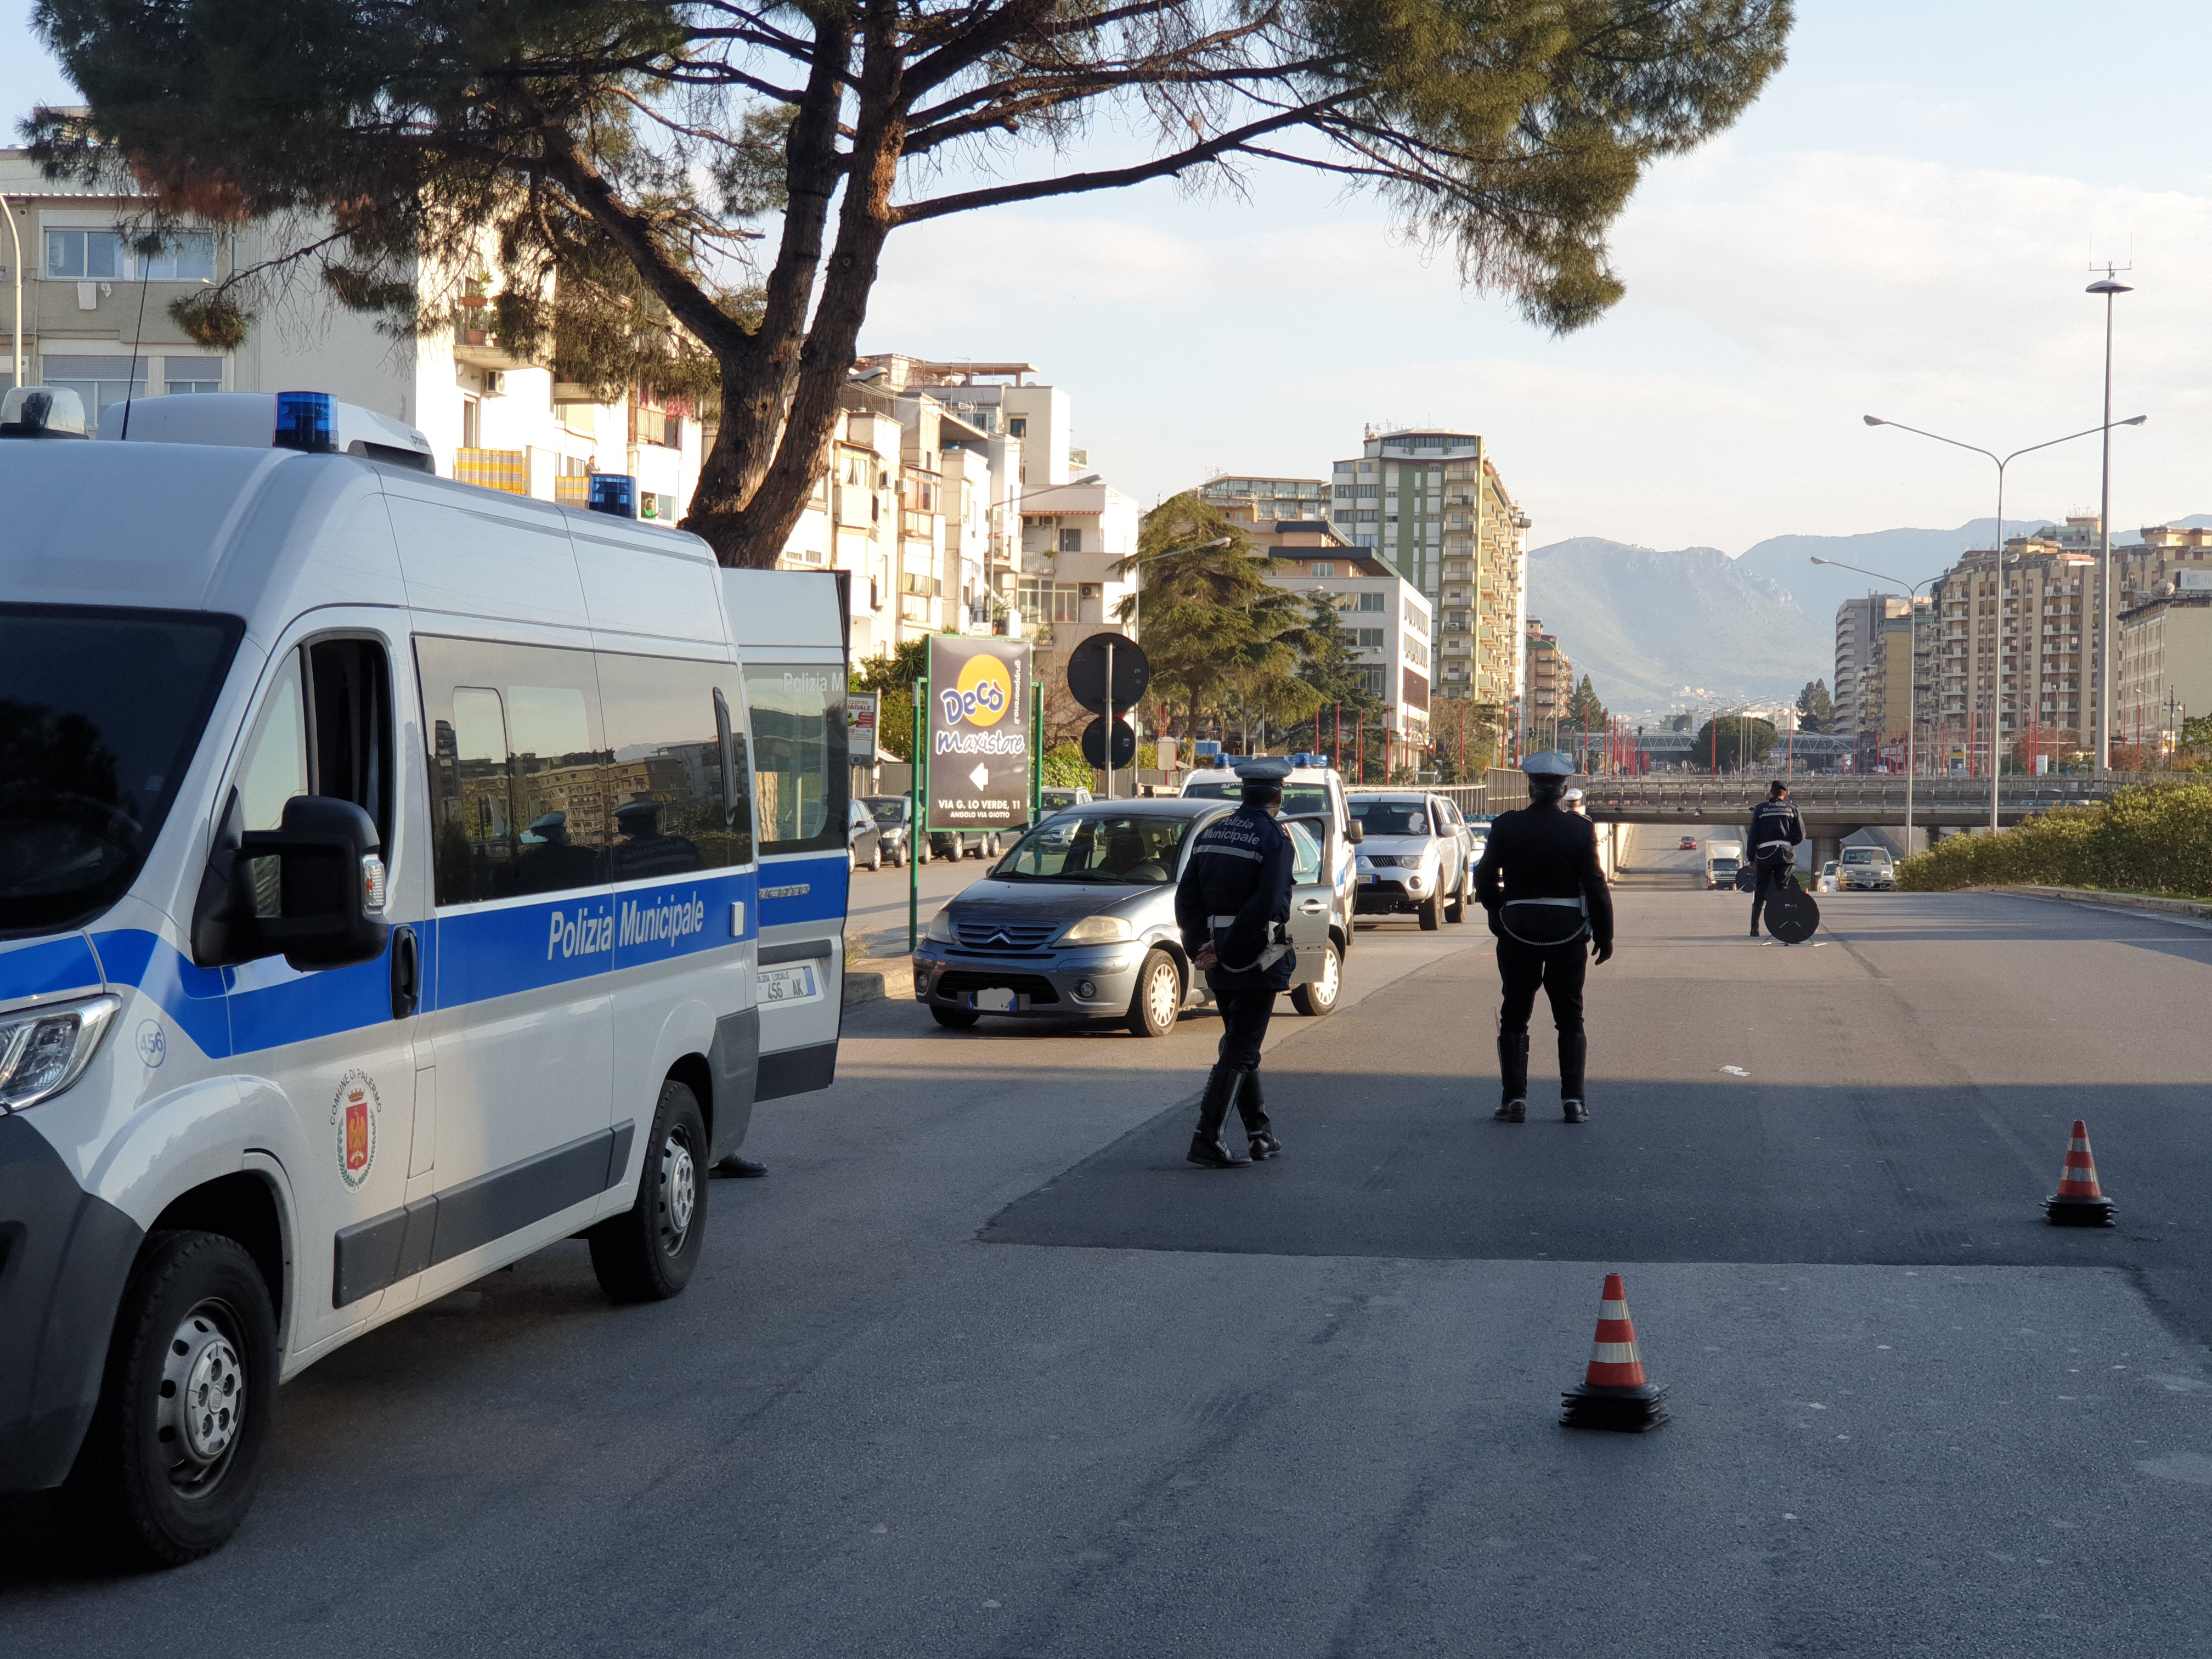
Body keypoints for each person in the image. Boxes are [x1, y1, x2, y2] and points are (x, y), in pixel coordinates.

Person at [1475, 752, 1614, 1124]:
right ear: (1564, 789)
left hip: (1518, 931)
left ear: (1529, 787)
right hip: (1568, 934)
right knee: (1570, 1017)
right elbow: (1596, 884)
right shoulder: (1581, 829)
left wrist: (1497, 910)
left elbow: (1484, 876)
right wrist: (1605, 933)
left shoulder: (1506, 826)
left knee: (1515, 1015)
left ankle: (1514, 1100)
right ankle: (1574, 1101)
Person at [1174, 757, 1296, 1167]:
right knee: (1242, 1048)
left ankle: (1260, 1134)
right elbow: (1270, 905)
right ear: (1278, 796)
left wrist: (1200, 948)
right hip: (1255, 954)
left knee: (1239, 1045)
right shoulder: (1274, 838)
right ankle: (1206, 1138)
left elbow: (1186, 896)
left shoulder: (1213, 830)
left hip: (1215, 952)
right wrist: (1228, 950)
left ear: (1243, 793)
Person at [1747, 780, 1804, 938]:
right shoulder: (1792, 810)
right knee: (1782, 890)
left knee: (1761, 890)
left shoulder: (1760, 810)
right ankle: (1782, 924)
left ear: (1771, 793)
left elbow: (1753, 836)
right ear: (1784, 794)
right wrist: (1787, 844)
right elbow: (1800, 835)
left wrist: (1751, 858)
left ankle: (1754, 928)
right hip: (1785, 855)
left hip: (1764, 855)